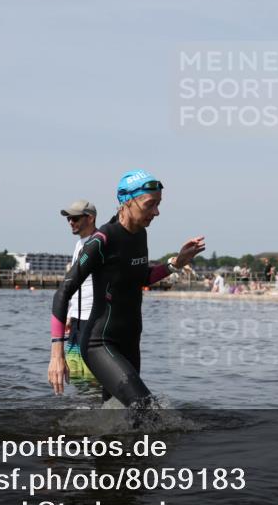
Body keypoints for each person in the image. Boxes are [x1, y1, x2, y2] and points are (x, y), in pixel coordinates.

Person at [48, 170, 205, 410]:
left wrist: (176, 263)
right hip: (100, 343)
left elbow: (141, 277)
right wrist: (56, 354)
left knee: (118, 417)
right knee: (145, 408)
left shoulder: (140, 235)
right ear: (126, 202)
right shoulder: (101, 241)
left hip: (130, 341)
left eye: (159, 204)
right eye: (150, 204)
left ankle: (97, 445)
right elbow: (63, 292)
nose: (156, 212)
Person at [60, 200, 98, 380]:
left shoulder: (99, 242)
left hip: (92, 317)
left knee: (92, 374)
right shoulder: (79, 244)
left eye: (74, 218)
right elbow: (77, 283)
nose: (70, 222)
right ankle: (79, 406)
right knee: (75, 372)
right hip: (76, 318)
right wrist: (70, 313)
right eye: (68, 218)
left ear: (90, 218)